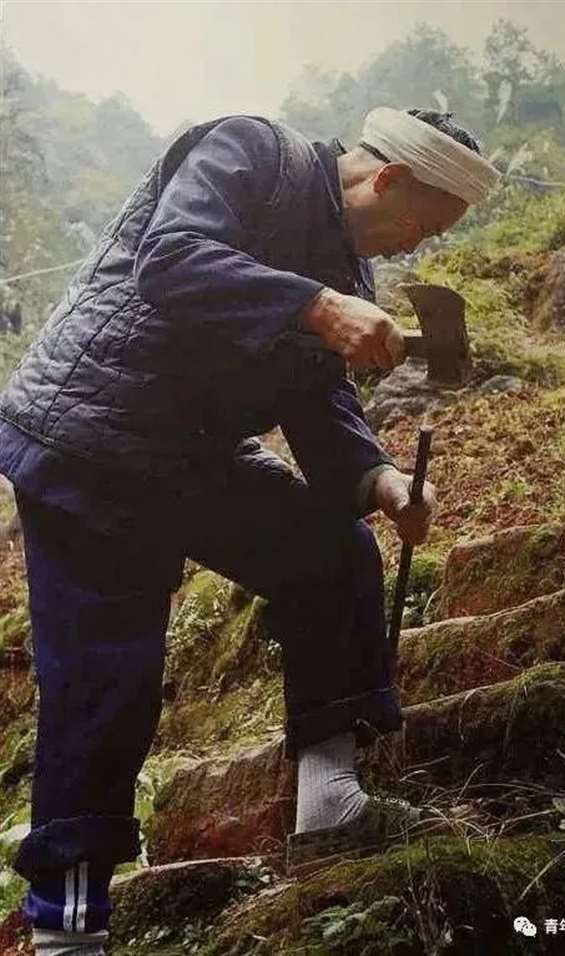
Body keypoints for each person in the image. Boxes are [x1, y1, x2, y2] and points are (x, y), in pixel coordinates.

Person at [0, 105, 499, 955]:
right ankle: (67, 926)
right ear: (388, 179)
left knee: (330, 551)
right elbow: (172, 258)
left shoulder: (349, 275)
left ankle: (329, 799)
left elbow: (319, 405)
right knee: (108, 675)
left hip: (189, 456)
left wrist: (380, 480)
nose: (415, 248)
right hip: (91, 438)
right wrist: (315, 307)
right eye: (421, 224)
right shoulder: (250, 152)